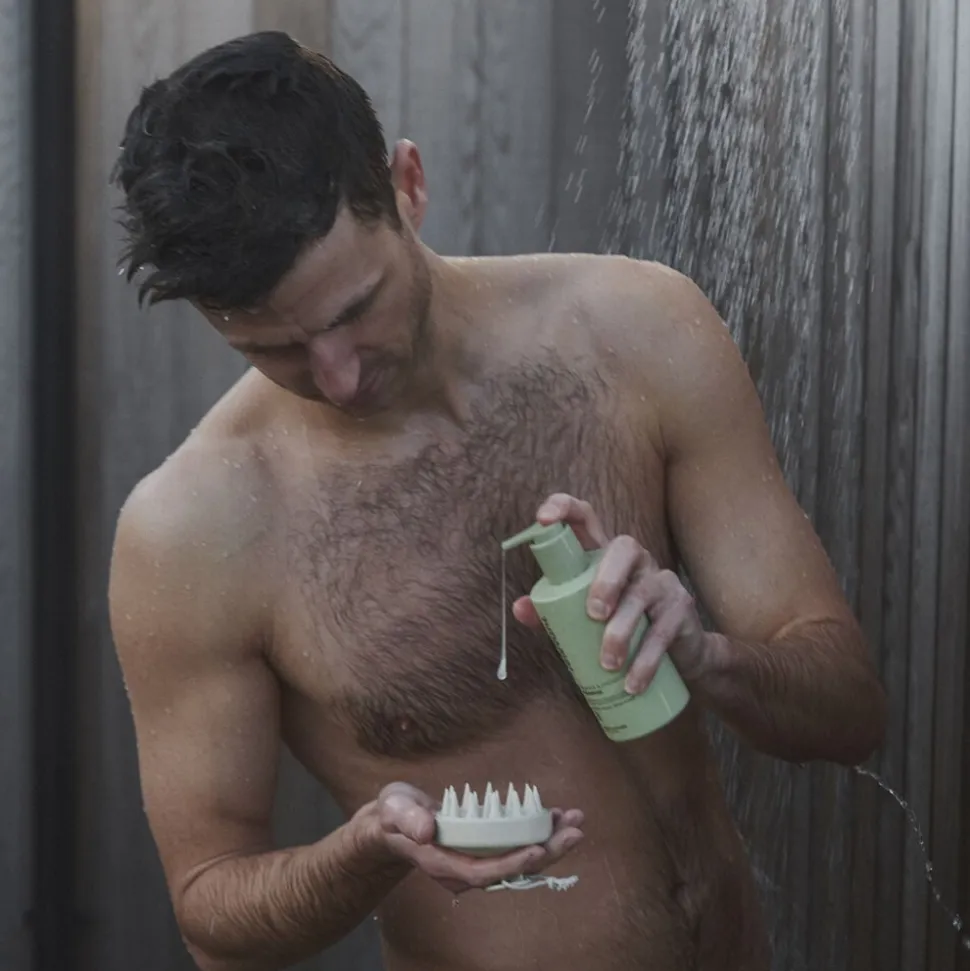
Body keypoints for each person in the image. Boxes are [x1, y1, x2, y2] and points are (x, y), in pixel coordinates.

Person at [107, 30, 887, 971]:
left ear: (407, 185)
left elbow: (850, 709)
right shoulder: (195, 527)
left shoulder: (635, 332)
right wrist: (363, 855)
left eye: (354, 310)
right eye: (273, 350)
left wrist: (709, 657)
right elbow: (210, 910)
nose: (339, 376)